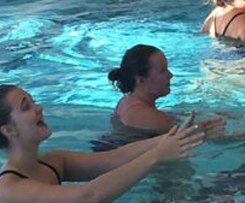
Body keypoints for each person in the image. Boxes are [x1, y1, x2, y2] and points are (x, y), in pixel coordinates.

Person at [0, 84, 205, 202]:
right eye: (26, 107)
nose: (39, 108)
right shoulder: (9, 189)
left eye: (34, 101)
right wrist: (157, 155)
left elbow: (116, 158)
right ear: (8, 130)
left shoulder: (53, 161)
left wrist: (183, 134)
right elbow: (88, 196)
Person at [107, 44, 225, 141]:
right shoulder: (149, 117)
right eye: (162, 71)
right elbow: (192, 139)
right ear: (141, 79)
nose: (170, 75)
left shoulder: (125, 102)